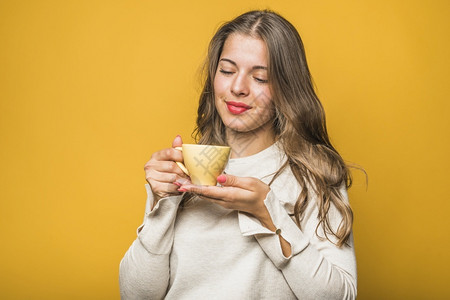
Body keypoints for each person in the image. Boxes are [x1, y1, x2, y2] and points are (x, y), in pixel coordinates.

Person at [119, 10, 357, 300]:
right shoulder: (185, 171)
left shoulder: (314, 174)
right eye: (227, 71)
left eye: (260, 78)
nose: (237, 88)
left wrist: (267, 216)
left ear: (287, 87)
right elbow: (136, 296)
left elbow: (340, 296)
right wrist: (162, 204)